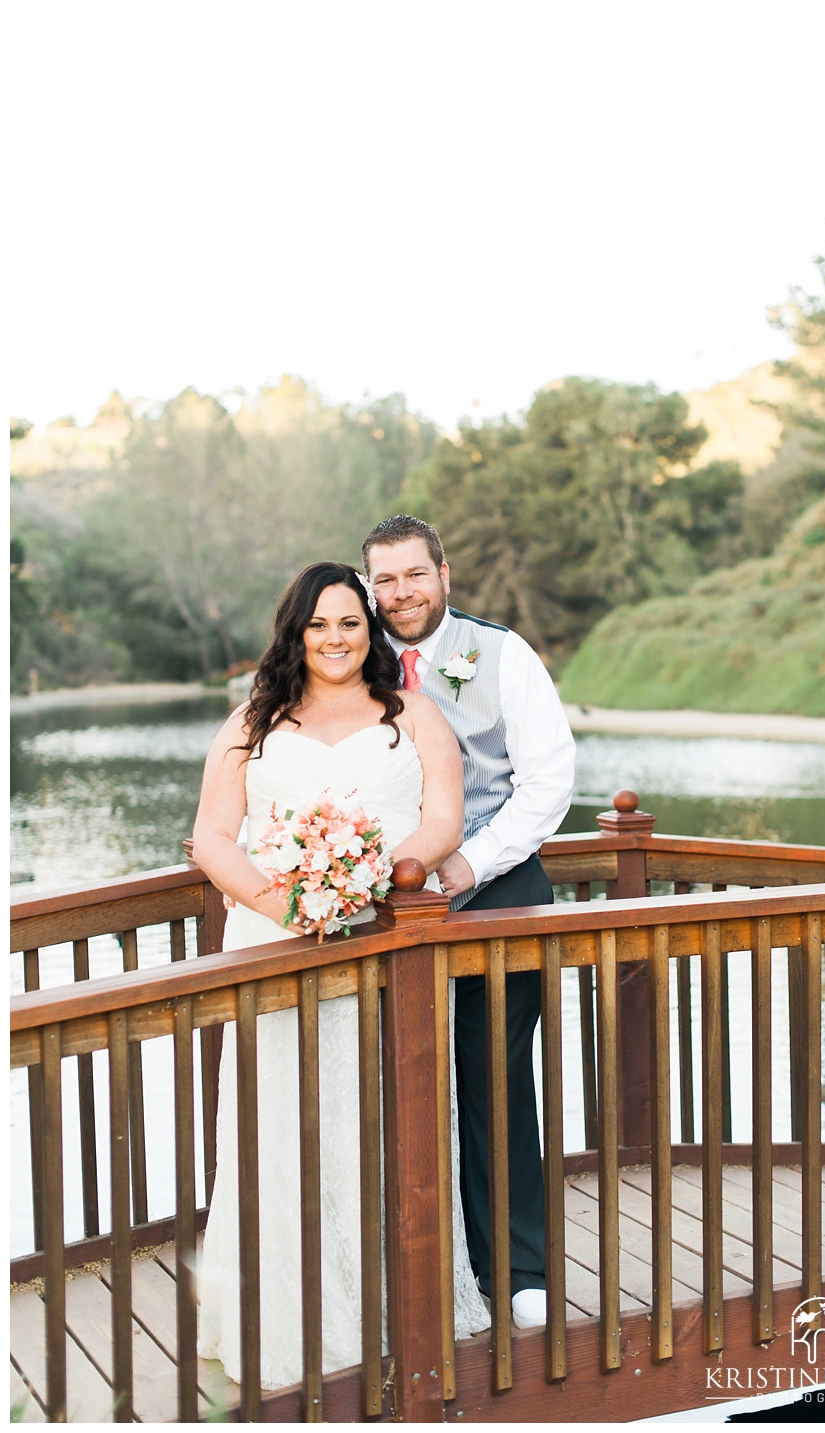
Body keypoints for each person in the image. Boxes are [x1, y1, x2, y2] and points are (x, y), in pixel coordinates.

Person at [191, 561, 489, 1388]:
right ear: (295, 631)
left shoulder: (413, 714)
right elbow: (215, 835)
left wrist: (387, 870)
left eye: (350, 623)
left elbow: (442, 816)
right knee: (276, 1125)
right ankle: (281, 1319)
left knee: (386, 1120)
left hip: (384, 940)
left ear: (371, 631)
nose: (335, 638)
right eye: (318, 624)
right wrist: (280, 899)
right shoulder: (251, 721)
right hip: (272, 941)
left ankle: (399, 1309)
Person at [362, 516, 576, 1330]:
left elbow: (547, 784)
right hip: (385, 912)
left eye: (414, 575)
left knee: (494, 1081)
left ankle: (516, 1265)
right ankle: (414, 1260)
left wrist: (471, 862)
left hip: (499, 894)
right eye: (384, 579)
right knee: (395, 1082)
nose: (400, 593)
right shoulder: (352, 660)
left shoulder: (501, 654)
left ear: (445, 573)